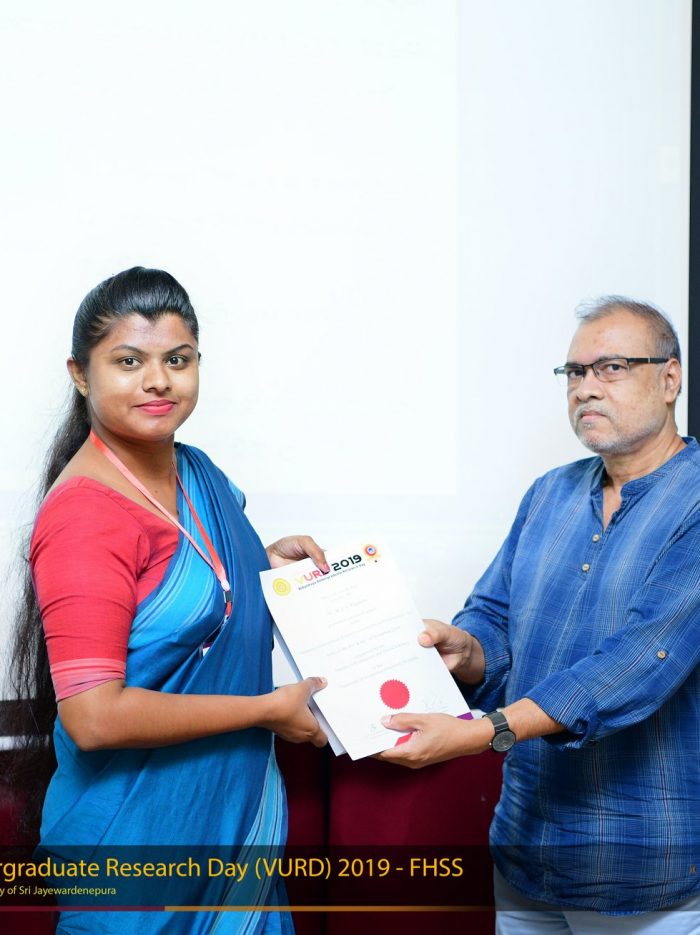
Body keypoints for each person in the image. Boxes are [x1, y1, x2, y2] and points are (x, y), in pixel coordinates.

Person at [8, 266, 328, 934]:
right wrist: (267, 709)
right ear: (80, 374)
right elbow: (95, 717)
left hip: (229, 820)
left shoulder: (197, 471)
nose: (159, 380)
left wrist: (264, 566)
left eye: (177, 360)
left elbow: (191, 593)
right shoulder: (85, 516)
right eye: (129, 361)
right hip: (135, 848)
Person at [379, 297, 700, 933]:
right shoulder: (550, 492)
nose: (586, 388)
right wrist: (467, 650)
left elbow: (634, 665)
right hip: (526, 847)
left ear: (670, 379)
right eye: (574, 373)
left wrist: (484, 731)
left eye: (610, 368)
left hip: (639, 864)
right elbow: (494, 615)